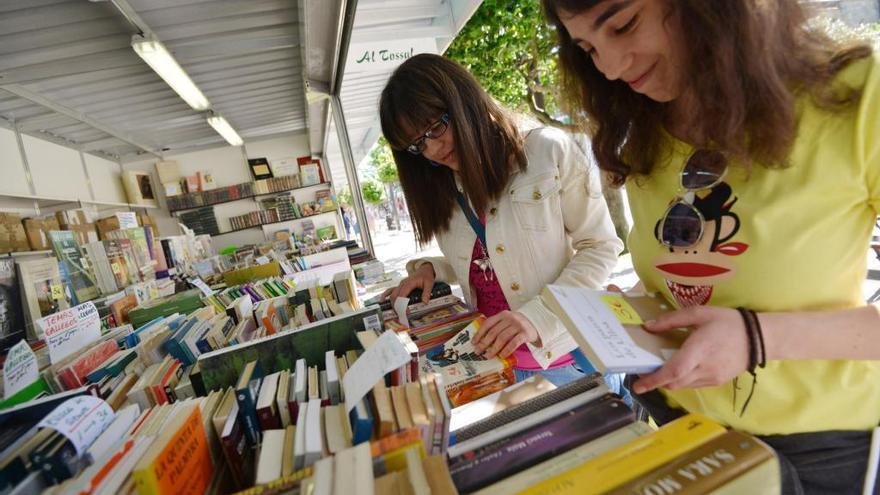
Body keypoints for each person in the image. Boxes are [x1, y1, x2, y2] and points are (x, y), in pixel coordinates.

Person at [542, 0, 880, 491]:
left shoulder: (857, 93)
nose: (612, 68)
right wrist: (632, 313)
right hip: (685, 425)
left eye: (623, 24)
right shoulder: (639, 126)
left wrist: (758, 337)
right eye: (588, 48)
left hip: (813, 447)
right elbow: (688, 276)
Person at [377, 53, 624, 388]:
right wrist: (432, 269)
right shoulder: (443, 187)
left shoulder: (546, 150)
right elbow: (488, 256)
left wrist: (534, 318)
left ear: (464, 101)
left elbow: (599, 247)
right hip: (496, 363)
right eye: (417, 145)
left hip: (569, 354)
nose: (433, 149)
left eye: (436, 127)